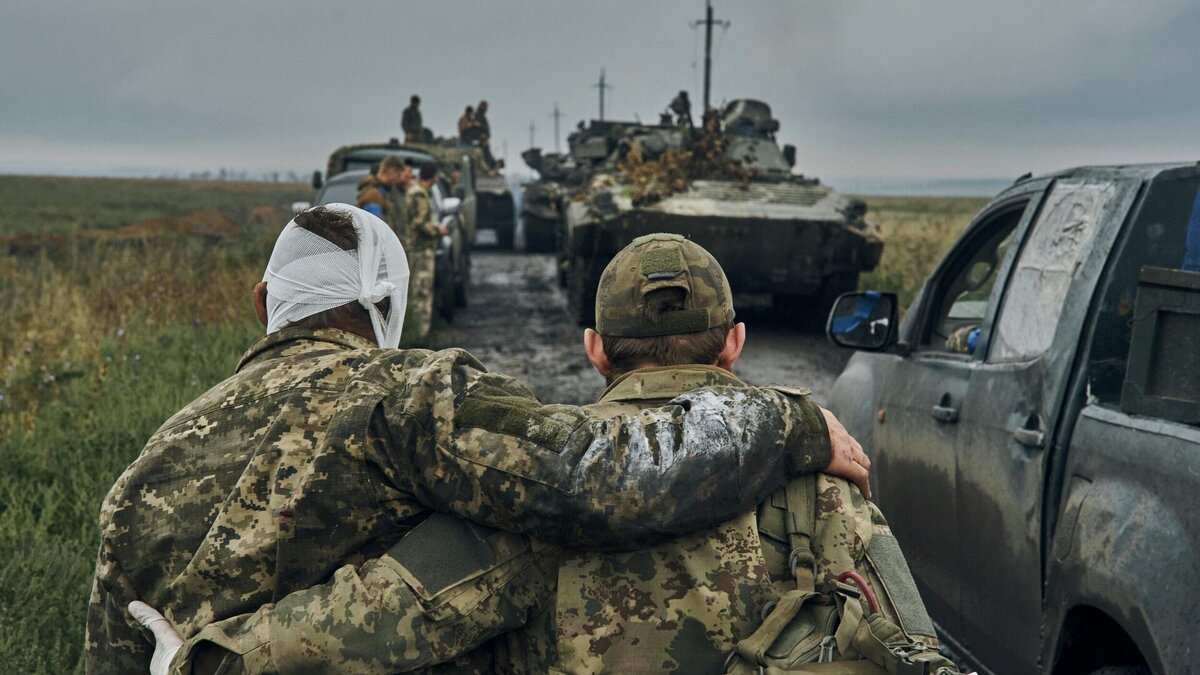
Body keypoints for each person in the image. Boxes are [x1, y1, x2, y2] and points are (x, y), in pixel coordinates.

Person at [88, 210, 869, 675]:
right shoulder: (410, 394)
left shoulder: (140, 475)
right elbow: (591, 474)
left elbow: (396, 609)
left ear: (263, 303)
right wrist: (787, 420)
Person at [401, 162, 443, 340]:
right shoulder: (420, 193)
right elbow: (419, 222)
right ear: (433, 176)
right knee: (422, 291)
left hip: (414, 247)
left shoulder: (413, 191)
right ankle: (421, 334)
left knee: (416, 289)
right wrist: (437, 230)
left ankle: (416, 331)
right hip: (421, 248)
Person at [355, 155, 408, 231]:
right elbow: (376, 228)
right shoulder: (373, 195)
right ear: (391, 171)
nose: (398, 179)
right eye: (398, 175)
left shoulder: (385, 192)